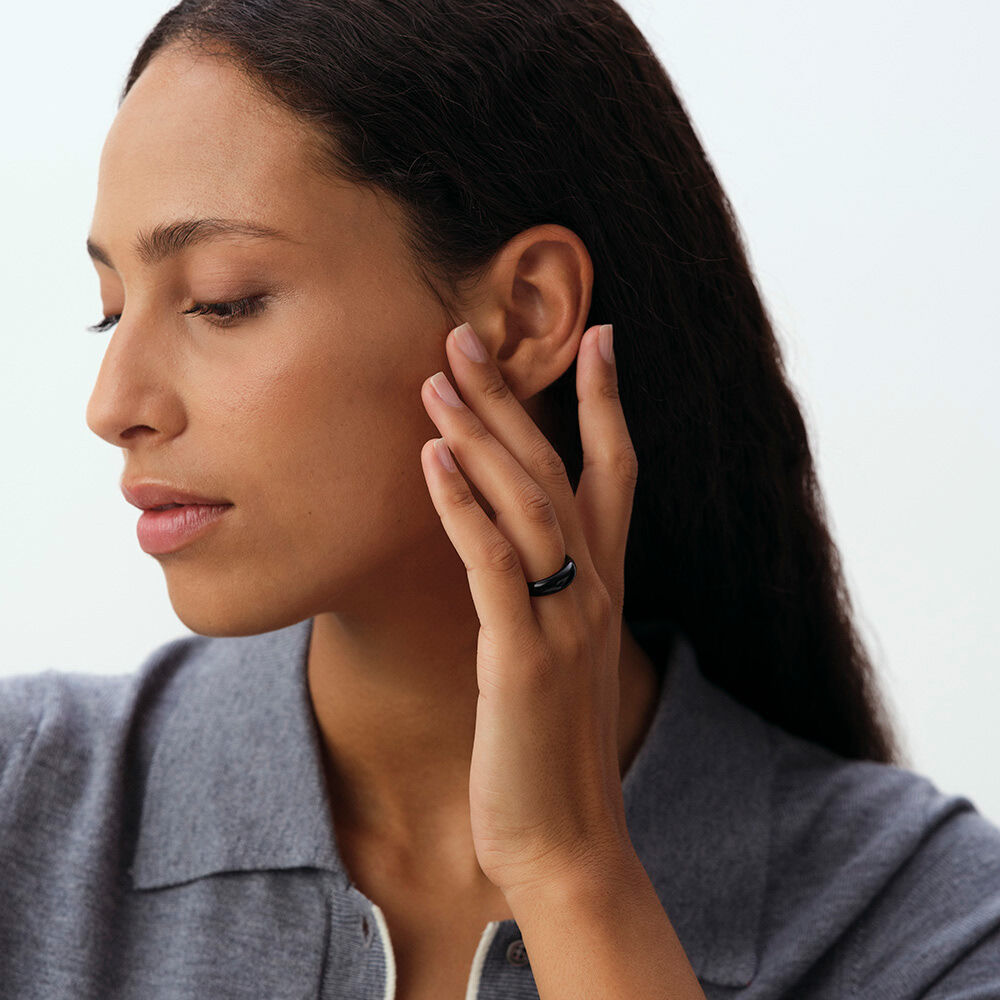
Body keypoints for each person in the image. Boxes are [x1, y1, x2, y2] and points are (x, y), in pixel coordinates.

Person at [1, 2, 998, 998]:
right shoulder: (21, 799)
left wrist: (571, 867)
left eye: (222, 300)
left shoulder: (930, 925)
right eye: (112, 313)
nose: (112, 407)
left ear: (524, 314)